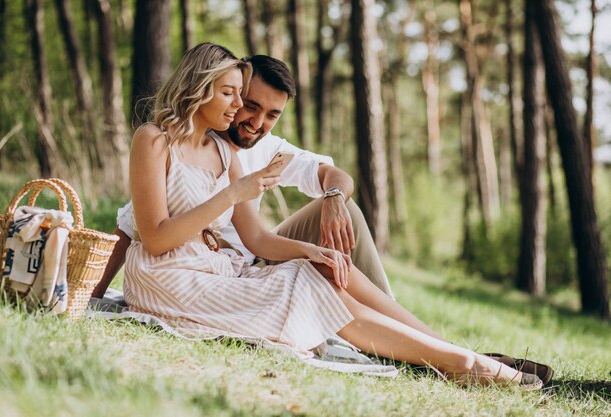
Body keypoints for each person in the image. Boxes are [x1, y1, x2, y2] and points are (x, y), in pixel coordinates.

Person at [122, 42, 543, 389]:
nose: (242, 112)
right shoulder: (154, 140)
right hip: (171, 273)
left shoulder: (225, 151)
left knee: (318, 271)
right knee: (308, 288)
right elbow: (152, 236)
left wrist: (314, 250)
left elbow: (257, 238)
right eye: (233, 95)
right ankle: (465, 364)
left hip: (222, 267)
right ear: (201, 88)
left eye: (250, 102)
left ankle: (455, 356)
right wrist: (236, 191)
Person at [92, 54, 393, 300]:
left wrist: (334, 196)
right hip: (216, 270)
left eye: (272, 115)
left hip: (259, 255)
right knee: (325, 282)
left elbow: (332, 175)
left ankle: (403, 327)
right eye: (250, 106)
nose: (257, 123)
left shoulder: (272, 148)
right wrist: (92, 295)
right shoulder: (184, 146)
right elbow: (134, 225)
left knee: (345, 210)